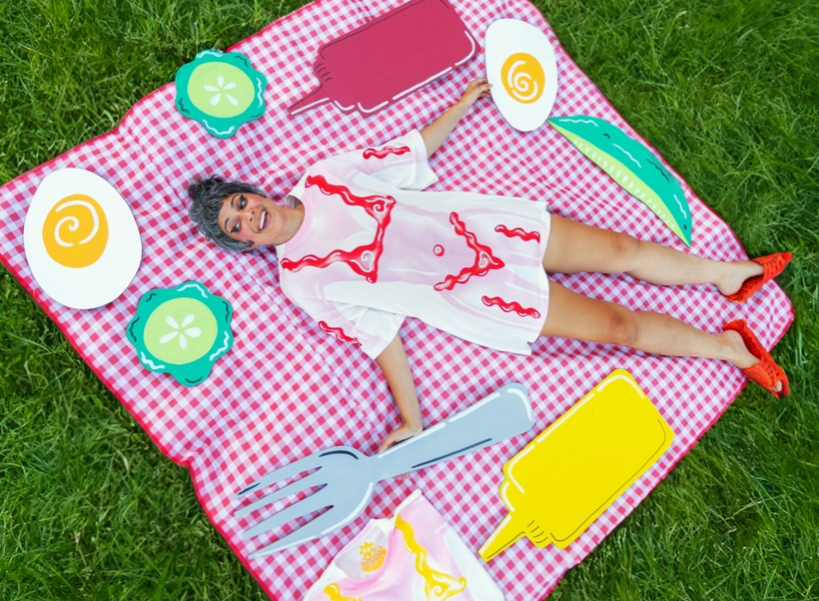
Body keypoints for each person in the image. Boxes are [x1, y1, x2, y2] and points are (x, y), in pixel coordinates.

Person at [188, 78, 791, 452]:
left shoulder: (325, 176)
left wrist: (462, 103)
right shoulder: (301, 281)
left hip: (489, 227)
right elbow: (378, 337)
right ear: (243, 245)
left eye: (240, 204)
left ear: (254, 191)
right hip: (478, 293)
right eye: (234, 228)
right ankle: (729, 349)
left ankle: (725, 274)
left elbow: (411, 152)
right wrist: (411, 417)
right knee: (618, 328)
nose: (246, 217)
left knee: (620, 252)